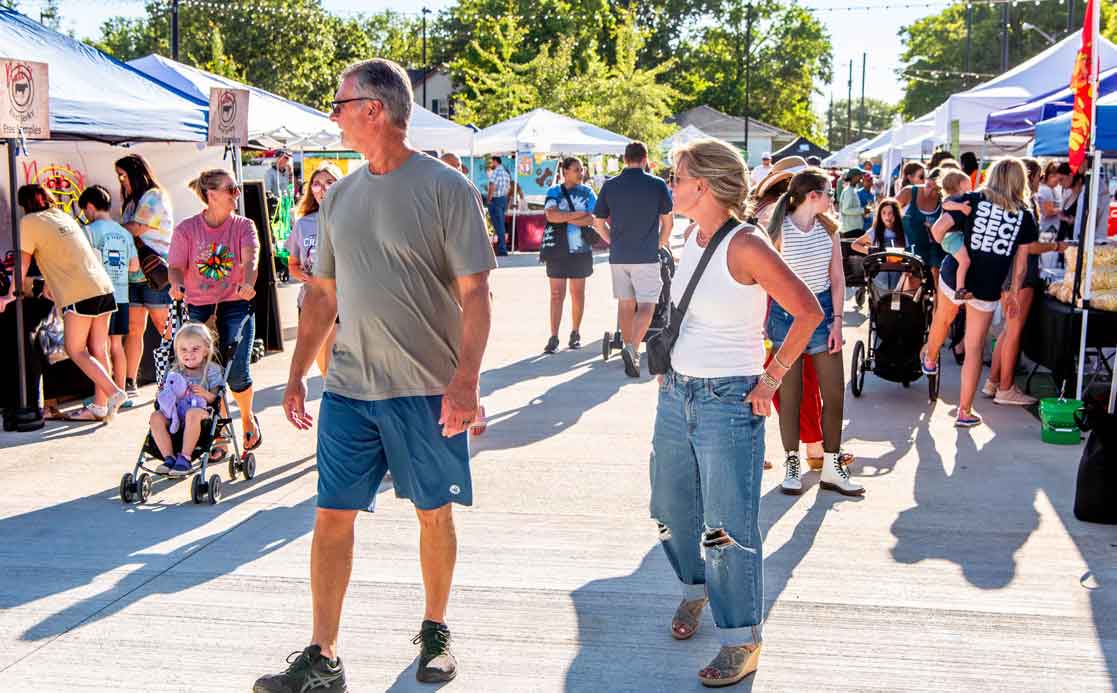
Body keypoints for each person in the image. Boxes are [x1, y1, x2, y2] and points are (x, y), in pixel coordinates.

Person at [259, 58, 495, 692]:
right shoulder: (339, 196)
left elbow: (476, 295)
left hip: (426, 390)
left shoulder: (449, 190)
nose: (332, 114)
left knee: (432, 512)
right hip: (349, 392)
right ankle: (323, 654)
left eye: (339, 103)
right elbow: (323, 296)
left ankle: (436, 631)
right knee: (331, 516)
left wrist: (467, 382)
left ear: (374, 109)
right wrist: (297, 371)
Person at [653, 137, 822, 687]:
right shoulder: (689, 236)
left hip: (727, 400)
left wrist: (770, 379)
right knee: (672, 509)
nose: (670, 186)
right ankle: (696, 590)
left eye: (676, 177)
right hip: (677, 394)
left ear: (703, 185)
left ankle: (741, 638)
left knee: (726, 527)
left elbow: (808, 311)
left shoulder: (745, 244)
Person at [921, 158, 1040, 428]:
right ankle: (964, 412)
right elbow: (1020, 267)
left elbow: (938, 230)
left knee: (943, 317)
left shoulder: (971, 200)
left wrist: (953, 248)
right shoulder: (1025, 216)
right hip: (987, 286)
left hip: (955, 275)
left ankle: (930, 358)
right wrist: (1012, 293)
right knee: (974, 348)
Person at [765, 169, 862, 497]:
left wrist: (837, 320)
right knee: (790, 396)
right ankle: (792, 464)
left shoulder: (829, 228)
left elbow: (837, 278)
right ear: (812, 196)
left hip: (822, 313)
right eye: (828, 192)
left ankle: (833, 467)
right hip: (786, 315)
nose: (832, 198)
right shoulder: (778, 229)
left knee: (833, 393)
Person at [168, 169, 262, 452]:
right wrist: (175, 284)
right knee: (208, 371)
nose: (237, 194)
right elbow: (174, 266)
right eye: (231, 189)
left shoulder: (244, 226)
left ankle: (246, 418)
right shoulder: (187, 229)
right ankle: (220, 429)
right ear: (211, 195)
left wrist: (247, 283)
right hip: (199, 306)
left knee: (236, 372)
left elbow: (250, 261)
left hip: (235, 304)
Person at [16, 184, 127, 421]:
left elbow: (22, 266)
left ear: (24, 204)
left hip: (80, 293)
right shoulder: (62, 216)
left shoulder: (29, 222)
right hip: (103, 286)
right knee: (99, 348)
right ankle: (100, 406)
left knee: (75, 349)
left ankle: (114, 392)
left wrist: (10, 293)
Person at [982, 158, 1070, 406]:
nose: (1041, 181)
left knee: (1008, 330)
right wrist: (1056, 246)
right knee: (1014, 331)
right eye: (1039, 176)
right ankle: (1006, 387)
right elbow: (1029, 247)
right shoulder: (1023, 205)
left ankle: (994, 381)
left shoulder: (1000, 203)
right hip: (1021, 274)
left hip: (1005, 271)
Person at [592, 141, 674, 377]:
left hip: (619, 256)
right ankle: (633, 348)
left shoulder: (610, 185)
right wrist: (658, 243)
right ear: (645, 158)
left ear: (625, 159)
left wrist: (611, 241)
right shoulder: (657, 185)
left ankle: (630, 351)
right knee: (648, 304)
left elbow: (598, 222)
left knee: (626, 303)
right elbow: (668, 223)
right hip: (646, 255)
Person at [116, 153, 174, 403]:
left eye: (124, 175)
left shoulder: (154, 196)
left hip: (154, 271)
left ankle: (184, 372)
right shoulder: (131, 201)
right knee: (134, 329)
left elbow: (136, 228)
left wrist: (105, 227)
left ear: (135, 173)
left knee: (164, 325)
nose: (121, 180)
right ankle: (131, 382)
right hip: (133, 273)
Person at [79, 185, 140, 407]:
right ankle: (121, 392)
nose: (85, 215)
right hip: (122, 295)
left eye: (85, 211)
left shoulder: (88, 231)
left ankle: (104, 395)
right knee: (117, 346)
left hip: (100, 296)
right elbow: (134, 267)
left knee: (99, 347)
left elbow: (83, 264)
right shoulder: (124, 232)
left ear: (90, 207)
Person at [286, 162, 342, 377]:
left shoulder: (353, 218)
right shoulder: (303, 224)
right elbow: (293, 264)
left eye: (329, 182)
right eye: (317, 184)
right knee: (324, 367)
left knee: (338, 367)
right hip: (312, 301)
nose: (323, 188)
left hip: (345, 300)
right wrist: (303, 275)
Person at [148, 321, 223, 476]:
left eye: (195, 349)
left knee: (192, 414)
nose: (189, 354)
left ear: (206, 350)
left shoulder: (212, 371)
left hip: (201, 412)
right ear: (177, 350)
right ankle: (168, 457)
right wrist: (163, 394)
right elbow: (167, 393)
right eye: (183, 350)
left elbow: (216, 399)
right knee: (156, 416)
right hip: (175, 413)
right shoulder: (174, 370)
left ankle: (185, 458)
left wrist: (205, 394)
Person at [541, 157, 596, 353]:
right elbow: (551, 216)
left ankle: (575, 333)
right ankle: (554, 336)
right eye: (576, 170)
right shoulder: (554, 191)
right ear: (565, 171)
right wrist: (576, 216)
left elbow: (592, 219)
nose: (581, 173)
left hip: (580, 250)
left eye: (581, 169)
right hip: (556, 249)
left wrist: (563, 217)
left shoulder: (588, 192)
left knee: (577, 294)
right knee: (556, 295)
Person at [896, 165, 945, 283]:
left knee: (936, 272)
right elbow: (888, 210)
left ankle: (937, 300)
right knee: (912, 276)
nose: (930, 192)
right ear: (925, 181)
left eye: (935, 190)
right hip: (911, 247)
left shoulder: (944, 200)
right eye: (928, 186)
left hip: (934, 248)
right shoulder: (908, 192)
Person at [937, 170, 974, 300]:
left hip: (954, 236)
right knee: (965, 261)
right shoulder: (954, 198)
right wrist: (961, 207)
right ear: (959, 184)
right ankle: (960, 290)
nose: (970, 184)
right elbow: (945, 204)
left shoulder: (960, 198)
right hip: (951, 237)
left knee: (964, 260)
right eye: (967, 182)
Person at [487, 155, 512, 256]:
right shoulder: (506, 172)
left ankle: (502, 249)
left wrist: (489, 198)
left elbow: (492, 185)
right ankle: (501, 247)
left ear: (495, 161)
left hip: (496, 199)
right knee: (500, 224)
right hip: (503, 199)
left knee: (498, 225)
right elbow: (509, 187)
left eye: (492, 162)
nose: (491, 164)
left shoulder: (496, 171)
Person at [839, 168, 868, 237]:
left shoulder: (853, 190)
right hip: (851, 229)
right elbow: (845, 210)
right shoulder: (849, 191)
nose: (861, 177)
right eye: (860, 175)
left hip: (854, 228)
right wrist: (863, 210)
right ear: (854, 177)